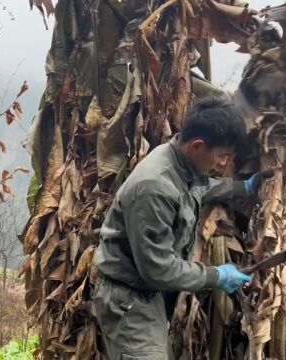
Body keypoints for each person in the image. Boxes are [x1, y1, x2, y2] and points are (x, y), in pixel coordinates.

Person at [92, 96, 273, 360]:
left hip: (147, 297)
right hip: (128, 302)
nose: (223, 164)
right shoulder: (154, 187)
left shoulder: (178, 161)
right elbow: (158, 269)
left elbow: (198, 188)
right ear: (198, 146)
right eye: (222, 156)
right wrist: (216, 277)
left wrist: (242, 189)